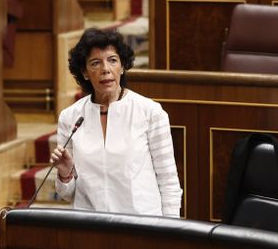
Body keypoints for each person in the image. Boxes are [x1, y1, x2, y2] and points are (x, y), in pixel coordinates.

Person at [50, 28, 183, 217]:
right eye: (96, 63)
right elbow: (66, 194)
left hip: (141, 225)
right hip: (91, 226)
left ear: (122, 66)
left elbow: (168, 180)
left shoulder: (150, 112)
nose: (106, 69)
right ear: (85, 72)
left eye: (112, 60)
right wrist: (65, 173)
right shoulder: (70, 117)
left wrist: (170, 230)